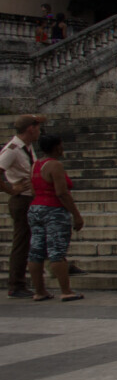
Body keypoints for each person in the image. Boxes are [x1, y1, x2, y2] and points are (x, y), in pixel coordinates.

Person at [27, 133, 83, 302]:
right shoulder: (55, 165)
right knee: (57, 251)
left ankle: (39, 290)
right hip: (53, 209)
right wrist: (76, 214)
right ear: (57, 147)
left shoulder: (36, 165)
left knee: (36, 250)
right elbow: (61, 192)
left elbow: (33, 189)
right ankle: (66, 290)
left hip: (35, 208)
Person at [1, 114, 44, 298]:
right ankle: (16, 284)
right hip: (22, 199)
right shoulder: (13, 149)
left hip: (31, 197)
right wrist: (11, 190)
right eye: (37, 128)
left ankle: (57, 265)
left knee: (39, 235)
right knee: (22, 242)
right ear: (30, 129)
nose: (39, 131)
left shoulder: (26, 147)